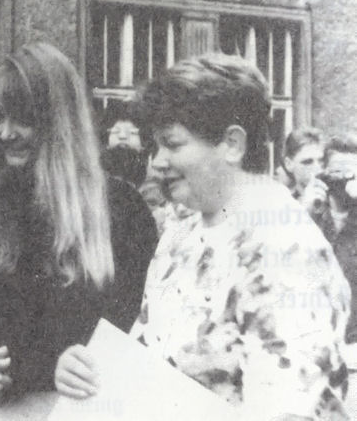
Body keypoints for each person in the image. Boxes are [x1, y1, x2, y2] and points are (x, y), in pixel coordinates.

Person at [62, 53, 352, 420]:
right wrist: (88, 373)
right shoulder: (180, 234)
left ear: (232, 144)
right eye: (155, 146)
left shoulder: (286, 248)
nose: (157, 162)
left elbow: (290, 409)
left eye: (173, 144)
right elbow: (148, 362)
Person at [0, 42, 155, 415]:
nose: (4, 133)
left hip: (76, 410)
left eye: (21, 118)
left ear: (60, 120)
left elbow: (139, 332)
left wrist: (53, 366)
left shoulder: (120, 210)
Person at [307, 133, 357, 343]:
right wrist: (304, 213)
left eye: (351, 173)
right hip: (317, 342)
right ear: (324, 173)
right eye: (337, 172)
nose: (342, 179)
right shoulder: (310, 217)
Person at [283, 127, 326, 203]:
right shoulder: (283, 202)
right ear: (289, 164)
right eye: (307, 162)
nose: (318, 168)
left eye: (321, 161)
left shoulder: (336, 201)